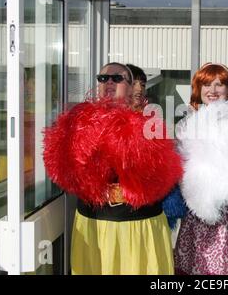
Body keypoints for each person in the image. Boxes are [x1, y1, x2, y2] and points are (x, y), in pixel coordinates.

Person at [43, 62, 183, 275]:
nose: (109, 82)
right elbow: (61, 168)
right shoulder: (76, 122)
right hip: (94, 226)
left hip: (139, 227)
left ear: (130, 87)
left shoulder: (149, 125)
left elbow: (164, 175)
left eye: (117, 78)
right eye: (103, 78)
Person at [173, 63, 228, 275]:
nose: (212, 90)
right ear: (198, 90)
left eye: (219, 84)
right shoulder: (186, 126)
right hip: (198, 216)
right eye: (206, 84)